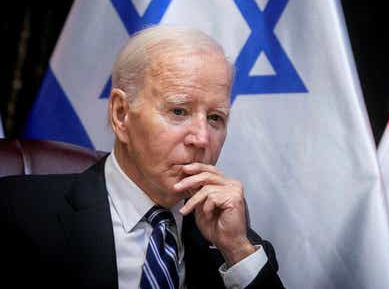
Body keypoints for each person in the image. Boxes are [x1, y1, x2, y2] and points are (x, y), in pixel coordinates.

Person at [0, 25, 284, 289]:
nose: (201, 138)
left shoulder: (233, 244)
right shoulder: (17, 211)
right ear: (121, 114)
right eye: (179, 111)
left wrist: (236, 249)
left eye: (215, 118)